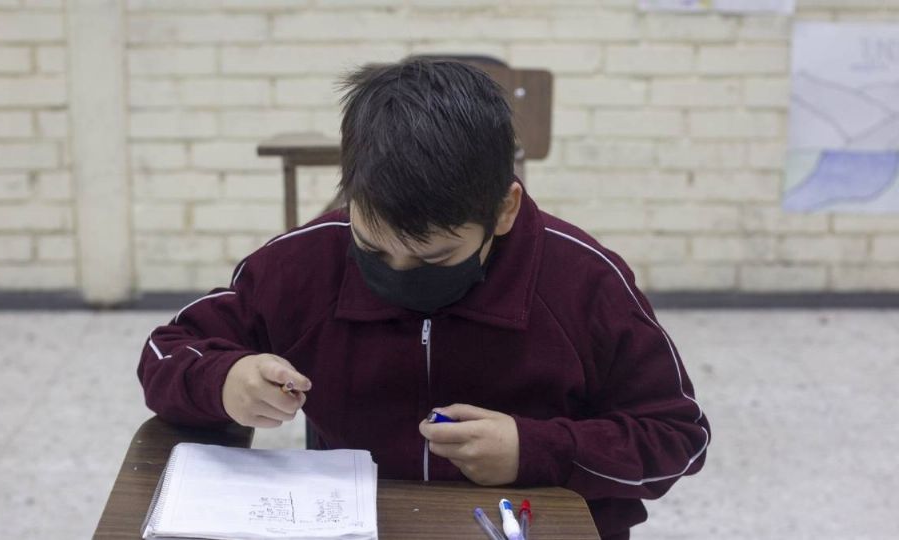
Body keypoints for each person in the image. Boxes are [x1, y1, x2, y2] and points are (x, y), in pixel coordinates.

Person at [137, 58, 709, 540]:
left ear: (504, 209)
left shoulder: (583, 281)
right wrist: (226, 379)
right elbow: (167, 354)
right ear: (350, 193)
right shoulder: (303, 265)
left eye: (437, 258)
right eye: (372, 248)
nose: (400, 275)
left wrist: (535, 449)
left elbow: (678, 437)